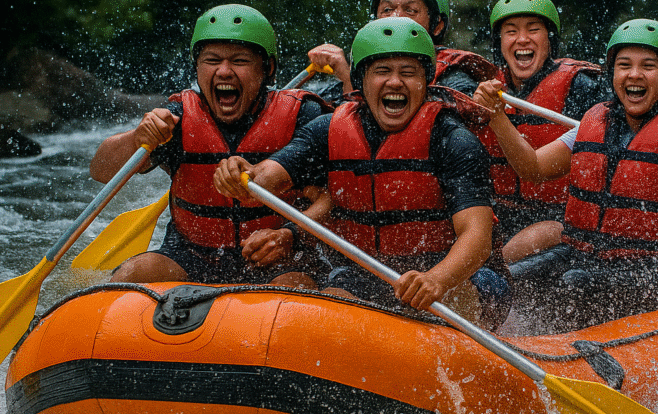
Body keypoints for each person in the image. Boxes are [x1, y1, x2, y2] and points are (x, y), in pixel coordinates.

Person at [214, 17, 512, 331]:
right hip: (366, 275)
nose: (395, 82)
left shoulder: (453, 139)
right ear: (361, 80)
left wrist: (436, 280)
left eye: (408, 72)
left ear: (426, 82)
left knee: (449, 302)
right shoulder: (327, 131)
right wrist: (240, 175)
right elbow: (266, 177)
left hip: (459, 277)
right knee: (325, 319)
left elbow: (477, 236)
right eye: (382, 71)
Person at [474, 19, 658, 332]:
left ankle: (562, 347)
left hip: (656, 270)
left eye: (648, 66)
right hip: (582, 254)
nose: (634, 75)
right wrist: (497, 118)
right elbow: (532, 168)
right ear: (612, 74)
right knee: (507, 280)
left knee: (575, 283)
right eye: (624, 65)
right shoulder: (594, 122)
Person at [89, 4, 333, 288]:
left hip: (280, 258)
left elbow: (335, 199)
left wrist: (289, 235)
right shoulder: (177, 118)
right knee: (134, 273)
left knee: (294, 285)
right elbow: (100, 171)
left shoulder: (304, 117)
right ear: (197, 68)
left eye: (239, 61)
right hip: (190, 255)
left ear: (268, 69)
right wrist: (137, 138)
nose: (224, 71)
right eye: (212, 60)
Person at [473, 0, 608, 263]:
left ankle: (493, 272)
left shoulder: (583, 87)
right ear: (499, 42)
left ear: (550, 40)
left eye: (533, 29)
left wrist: (496, 116)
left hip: (561, 220)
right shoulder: (479, 87)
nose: (522, 39)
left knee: (547, 232)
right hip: (500, 216)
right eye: (511, 31)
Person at [306, 0, 498, 102]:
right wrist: (347, 77)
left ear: (437, 26)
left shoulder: (456, 81)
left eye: (410, 11)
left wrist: (349, 81)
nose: (395, 18)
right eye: (387, 10)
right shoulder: (360, 69)